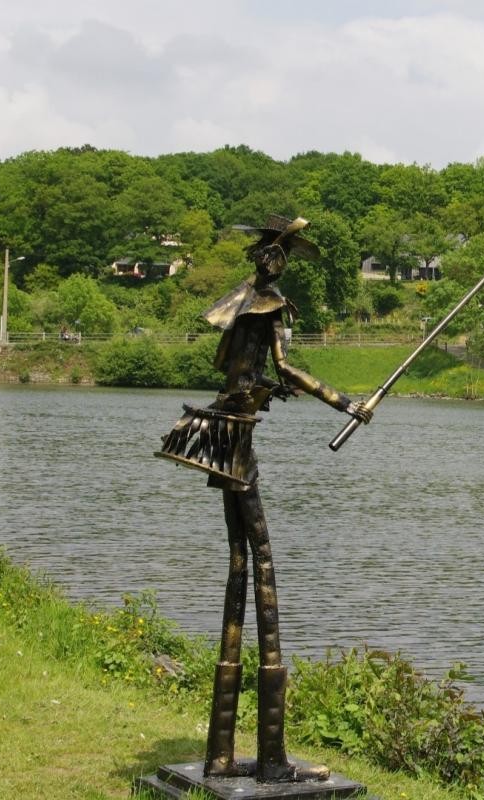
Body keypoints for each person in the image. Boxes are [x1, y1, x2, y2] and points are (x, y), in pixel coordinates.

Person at [156, 214, 369, 783]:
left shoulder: (241, 300)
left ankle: (221, 756)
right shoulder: (267, 306)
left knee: (239, 564)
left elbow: (231, 368)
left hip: (221, 430)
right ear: (273, 261)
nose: (277, 265)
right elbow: (285, 367)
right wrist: (342, 400)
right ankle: (271, 759)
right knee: (262, 563)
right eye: (278, 257)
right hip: (236, 441)